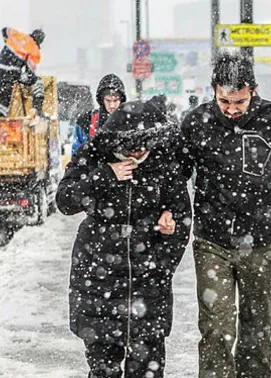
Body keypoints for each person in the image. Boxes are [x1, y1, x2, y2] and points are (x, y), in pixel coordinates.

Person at [178, 51, 271, 378]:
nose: (231, 109)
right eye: (224, 100)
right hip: (211, 241)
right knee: (216, 327)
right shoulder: (196, 122)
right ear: (213, 89)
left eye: (239, 101)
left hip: (261, 243)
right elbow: (176, 178)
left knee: (256, 331)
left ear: (253, 90)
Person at [56, 97, 191, 378]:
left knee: (147, 370)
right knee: (103, 370)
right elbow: (66, 200)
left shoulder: (164, 164)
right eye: (129, 148)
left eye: (143, 147)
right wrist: (105, 175)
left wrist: (169, 239)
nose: (137, 154)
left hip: (148, 285)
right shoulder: (94, 155)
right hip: (99, 281)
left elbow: (182, 216)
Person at [0, 27, 46, 118]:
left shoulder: (19, 35)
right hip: (12, 73)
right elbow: (31, 72)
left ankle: (1, 118)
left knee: (4, 98)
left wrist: (8, 45)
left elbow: (4, 30)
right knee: (37, 81)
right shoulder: (34, 49)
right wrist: (27, 79)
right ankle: (37, 111)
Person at [71, 74, 127, 155]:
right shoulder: (86, 121)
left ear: (121, 100)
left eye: (115, 101)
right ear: (102, 100)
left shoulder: (130, 120)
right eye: (108, 100)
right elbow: (77, 157)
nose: (112, 106)